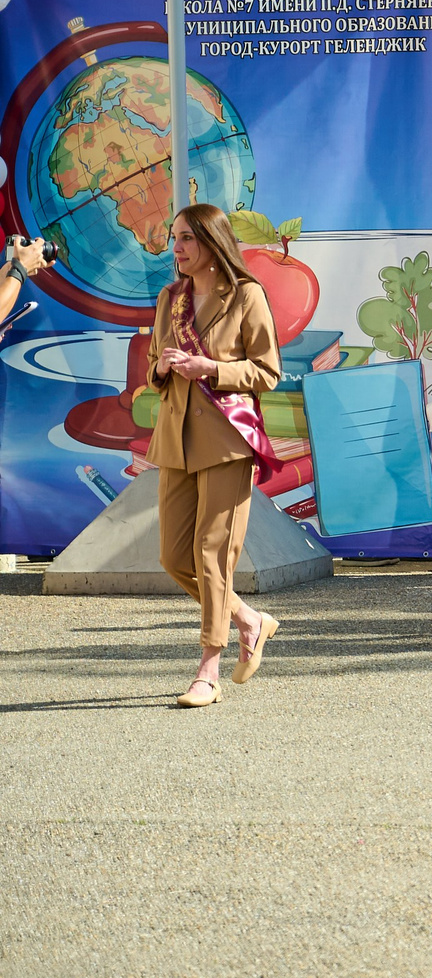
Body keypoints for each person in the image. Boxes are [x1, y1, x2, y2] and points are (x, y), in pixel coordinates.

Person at [147, 204, 284, 707]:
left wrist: (211, 367)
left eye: (185, 238)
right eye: (174, 238)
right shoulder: (169, 298)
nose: (176, 248)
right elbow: (152, 372)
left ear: (212, 240)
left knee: (212, 553)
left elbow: (266, 371)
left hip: (227, 438)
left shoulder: (246, 295)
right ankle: (249, 620)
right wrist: (161, 368)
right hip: (176, 440)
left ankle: (208, 669)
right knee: (173, 556)